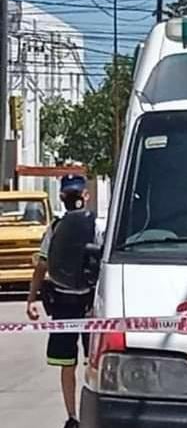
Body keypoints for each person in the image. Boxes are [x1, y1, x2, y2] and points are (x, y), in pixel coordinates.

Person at [26, 174, 104, 428]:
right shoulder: (96, 226)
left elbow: (42, 265)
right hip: (86, 303)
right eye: (73, 194)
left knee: (76, 363)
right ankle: (80, 416)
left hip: (71, 303)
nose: (74, 199)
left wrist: (32, 298)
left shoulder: (57, 227)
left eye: (75, 194)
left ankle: (77, 416)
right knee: (85, 362)